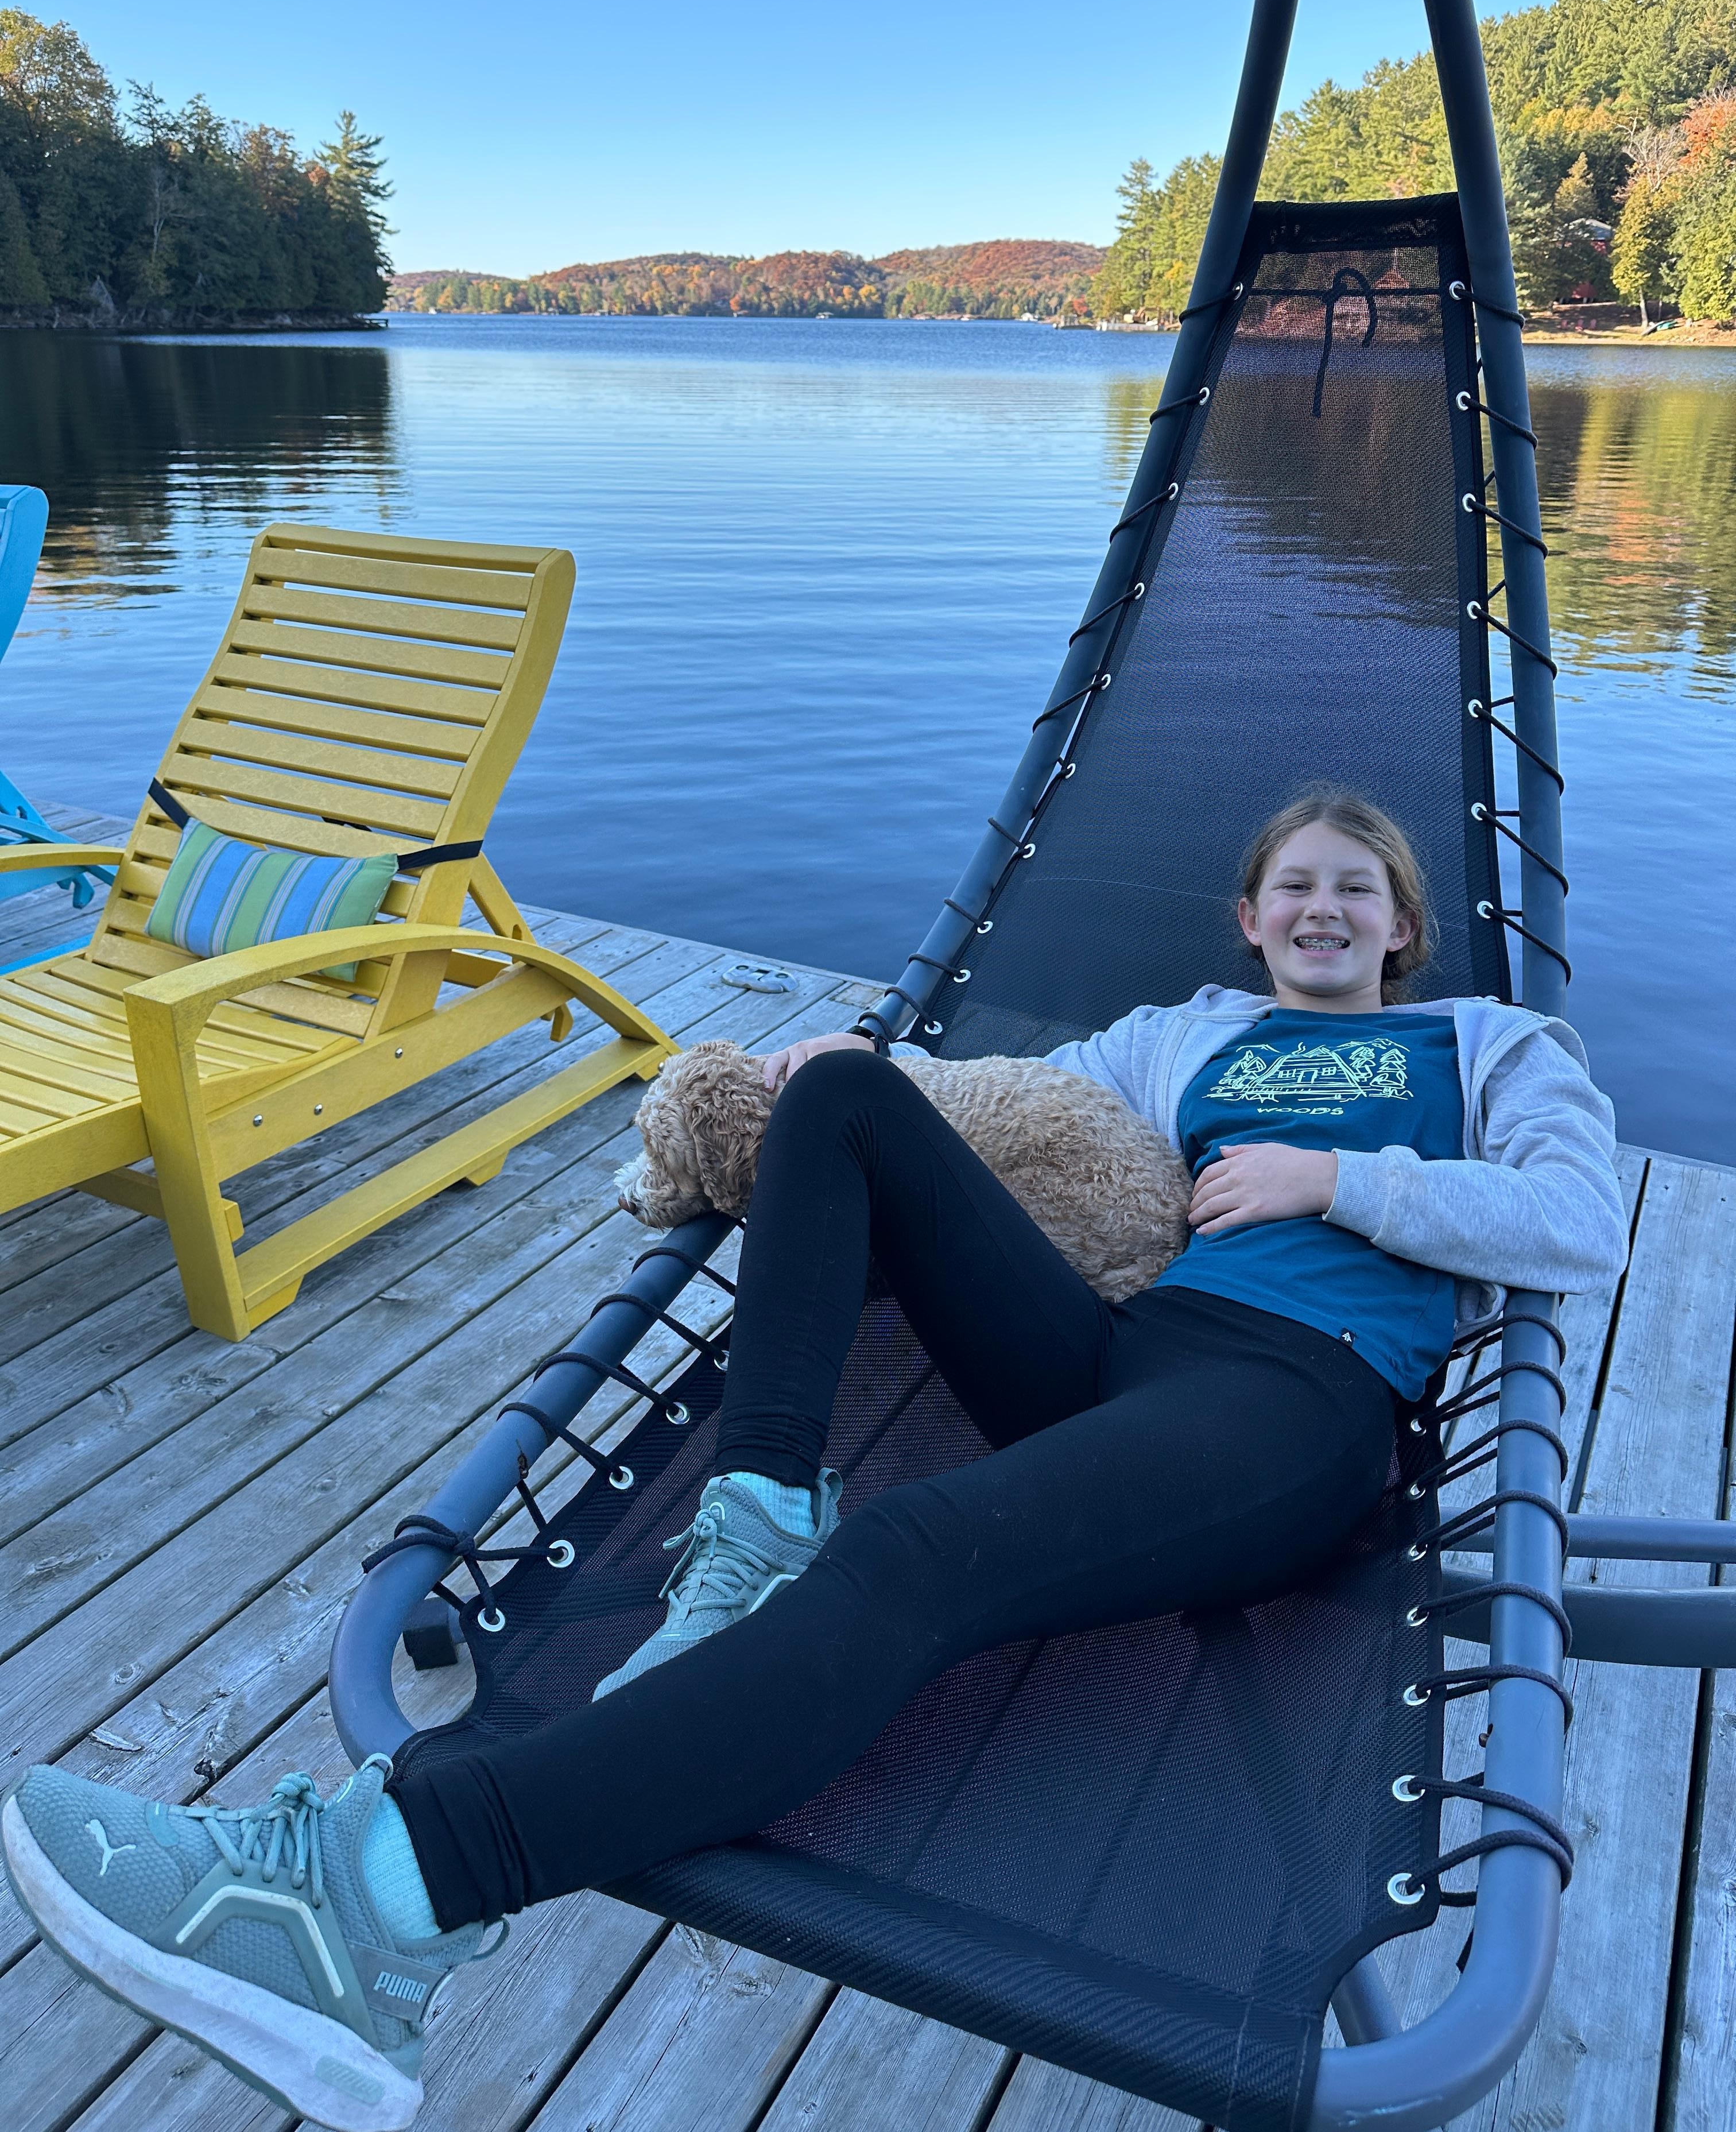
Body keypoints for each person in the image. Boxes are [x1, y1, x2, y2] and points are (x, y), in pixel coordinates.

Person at [1, 790, 1629, 2132]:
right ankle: (756, 1517)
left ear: (1404, 926)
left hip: (1295, 1411)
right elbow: (1017, 1106)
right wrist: (834, 1089)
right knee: (847, 1089)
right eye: (1295, 887)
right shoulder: (1186, 1036)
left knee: (910, 1556)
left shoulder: (1486, 1047)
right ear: (1255, 923)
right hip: (1132, 1359)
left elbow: (1581, 1223)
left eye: (1359, 888)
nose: (1326, 908)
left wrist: (1334, 1185)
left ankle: (368, 1904)